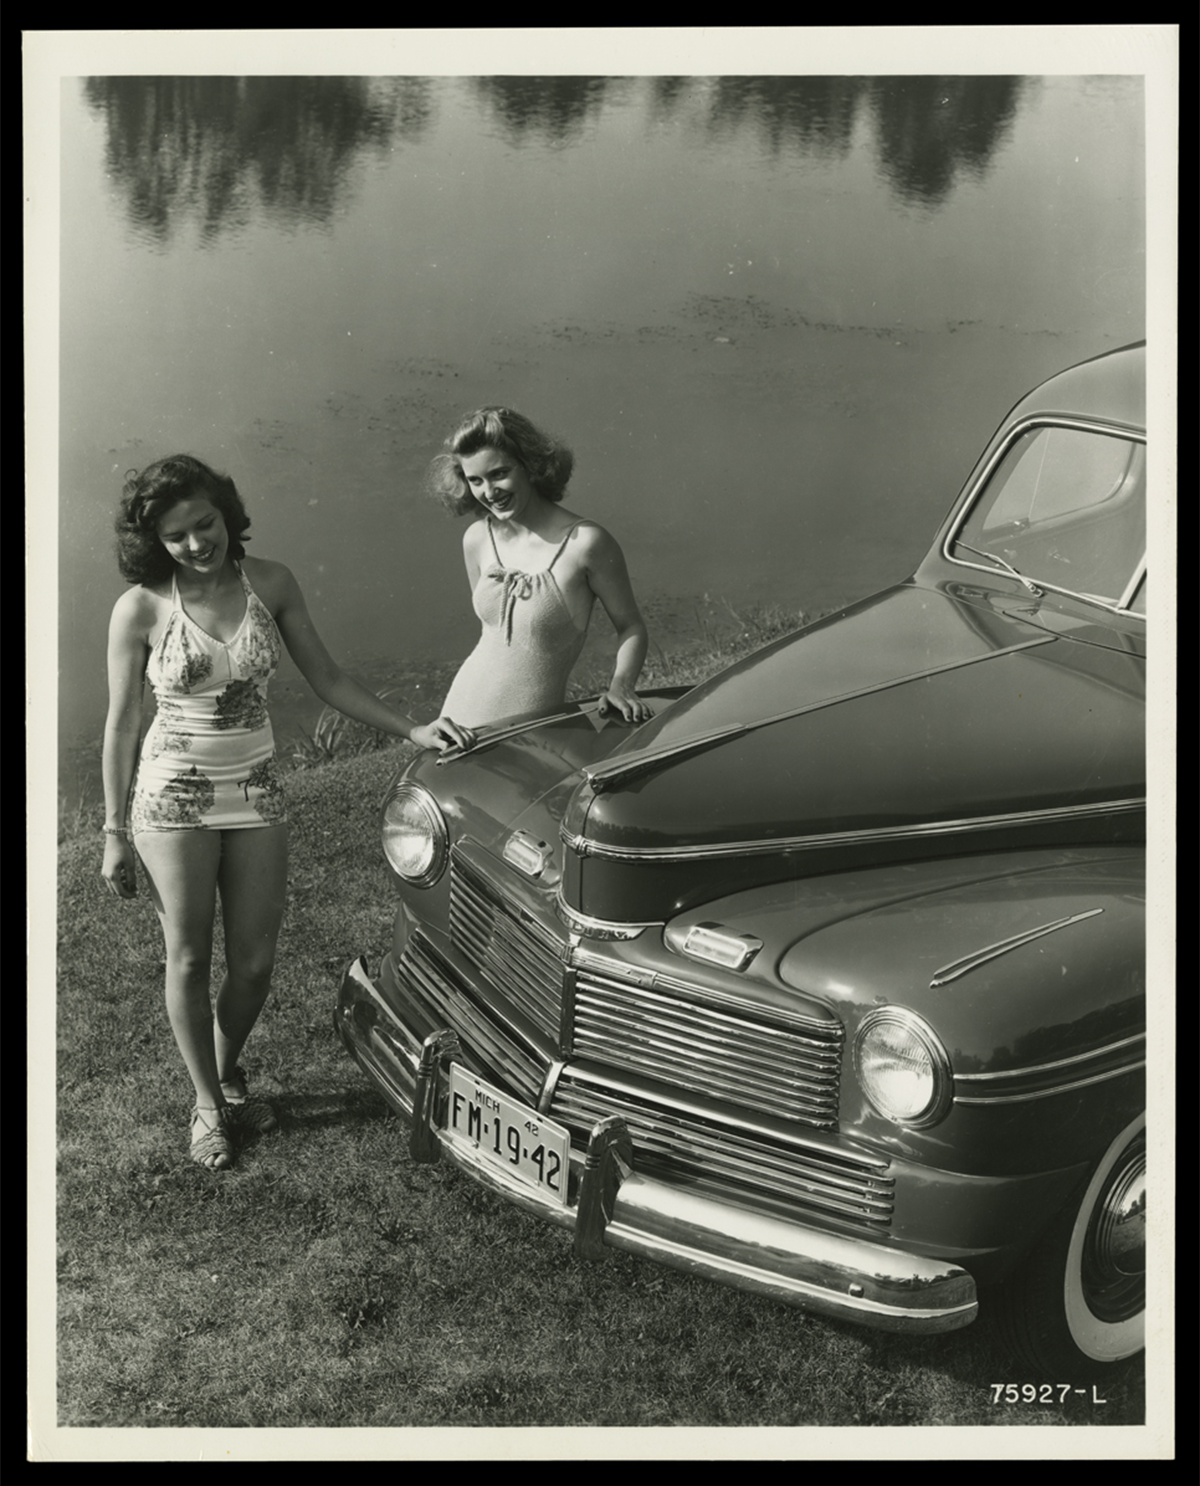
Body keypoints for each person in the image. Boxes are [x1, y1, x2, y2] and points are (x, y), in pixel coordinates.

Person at [100, 454, 473, 1171]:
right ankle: (209, 1106)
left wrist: (413, 729)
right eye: (176, 536)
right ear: (155, 542)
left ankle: (222, 1071)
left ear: (226, 513)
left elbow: (327, 677)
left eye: (205, 524)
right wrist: (115, 832)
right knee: (188, 956)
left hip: (257, 790)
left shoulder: (270, 583)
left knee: (254, 963)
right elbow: (121, 724)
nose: (196, 544)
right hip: (171, 798)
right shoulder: (140, 607)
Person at [429, 407, 651, 729]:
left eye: (499, 474)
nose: (488, 493)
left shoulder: (586, 543)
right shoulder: (477, 538)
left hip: (532, 730)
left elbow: (631, 626)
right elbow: (493, 637)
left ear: (530, 465)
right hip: (456, 718)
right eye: (475, 480)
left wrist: (621, 686)